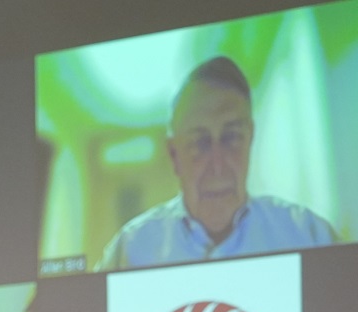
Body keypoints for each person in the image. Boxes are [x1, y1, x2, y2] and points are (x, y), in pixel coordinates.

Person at [95, 56, 337, 271]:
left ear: (250, 139)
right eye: (199, 142)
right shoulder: (129, 251)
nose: (218, 165)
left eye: (232, 137)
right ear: (174, 155)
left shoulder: (311, 236)